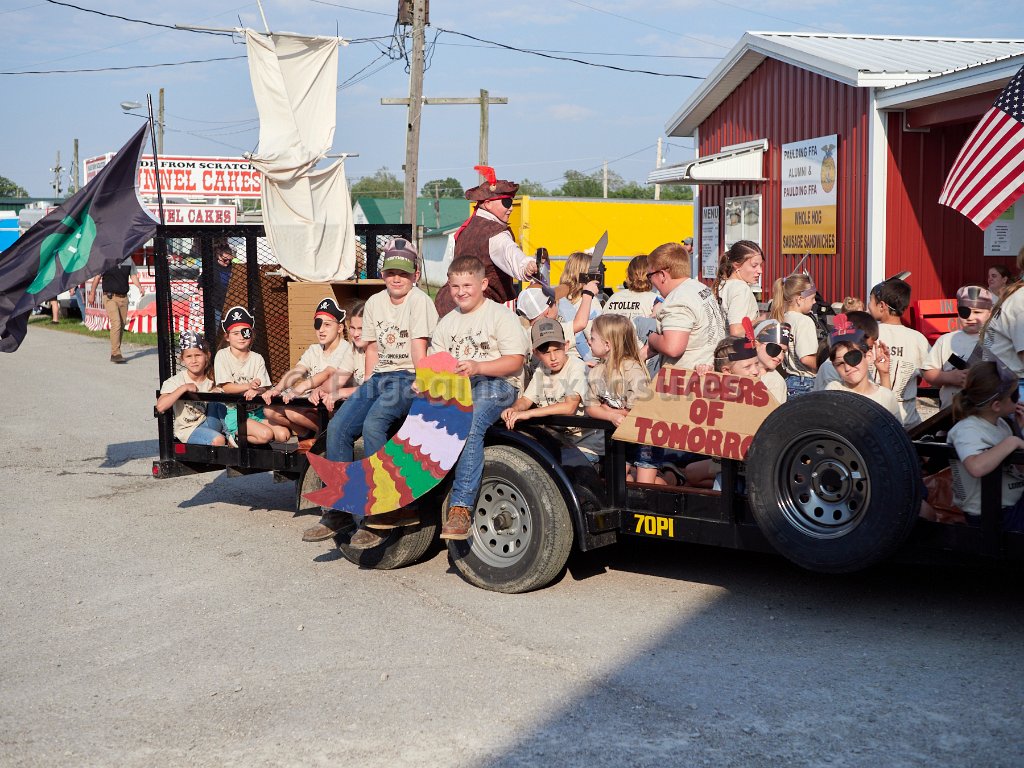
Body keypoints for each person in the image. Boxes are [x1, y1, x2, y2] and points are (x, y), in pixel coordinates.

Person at [303, 238, 438, 546]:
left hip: (409, 375)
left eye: (403, 273)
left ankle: (388, 506)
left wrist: (423, 381)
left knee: (375, 423)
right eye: (391, 272)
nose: (397, 278)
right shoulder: (375, 302)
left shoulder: (419, 302)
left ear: (415, 274)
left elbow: (419, 348)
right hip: (379, 377)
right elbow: (373, 351)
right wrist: (366, 387)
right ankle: (340, 508)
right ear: (383, 273)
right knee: (338, 427)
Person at [429, 256, 528, 540]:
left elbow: (515, 361)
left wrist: (478, 367)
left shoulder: (500, 316)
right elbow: (437, 365)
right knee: (421, 418)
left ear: (483, 284)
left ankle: (461, 507)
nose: (461, 292)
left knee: (468, 421)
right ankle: (414, 501)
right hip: (459, 387)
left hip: (499, 385)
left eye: (467, 285)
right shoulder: (447, 323)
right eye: (455, 286)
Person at [434, 166, 538, 316]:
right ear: (488, 203)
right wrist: (527, 266)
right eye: (506, 202)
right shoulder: (495, 233)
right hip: (475, 311)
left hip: (448, 305)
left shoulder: (467, 228)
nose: (511, 208)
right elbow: (510, 251)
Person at [501, 318, 603, 465]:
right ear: (536, 353)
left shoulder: (576, 367)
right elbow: (526, 400)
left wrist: (528, 413)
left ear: (566, 346)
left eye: (557, 350)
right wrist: (514, 409)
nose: (553, 357)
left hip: (585, 444)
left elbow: (569, 407)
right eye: (546, 352)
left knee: (552, 470)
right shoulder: (542, 369)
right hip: (559, 442)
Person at [585, 314, 664, 485]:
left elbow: (639, 411)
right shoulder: (596, 372)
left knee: (644, 487)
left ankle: (672, 486)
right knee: (617, 483)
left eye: (592, 338)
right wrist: (611, 416)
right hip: (622, 435)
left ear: (607, 345)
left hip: (645, 436)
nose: (588, 342)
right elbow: (590, 407)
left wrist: (607, 409)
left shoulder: (633, 371)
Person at [262, 297, 355, 438]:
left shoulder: (345, 348)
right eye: (318, 324)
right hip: (312, 403)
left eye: (327, 325)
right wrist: (277, 389)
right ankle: (308, 435)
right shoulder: (314, 349)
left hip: (332, 405)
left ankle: (326, 436)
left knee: (293, 412)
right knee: (270, 411)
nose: (321, 330)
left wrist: (301, 387)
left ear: (340, 328)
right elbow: (297, 371)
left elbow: (327, 373)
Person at [947, 360, 1024, 531]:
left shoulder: (1001, 424)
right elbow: (976, 467)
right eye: (1015, 395)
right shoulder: (967, 429)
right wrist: (1012, 441)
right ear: (996, 405)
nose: (1019, 398)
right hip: (991, 515)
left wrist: (1018, 430)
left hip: (1010, 503)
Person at [684, 333, 763, 488]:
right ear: (727, 371)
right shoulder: (717, 388)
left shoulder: (765, 388)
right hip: (724, 469)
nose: (755, 371)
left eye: (756, 364)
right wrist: (705, 373)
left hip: (755, 471)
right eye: (747, 367)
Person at [214, 306, 288, 446]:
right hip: (235, 412)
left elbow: (264, 387)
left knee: (284, 435)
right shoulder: (222, 355)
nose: (241, 337)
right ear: (227, 337)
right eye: (235, 333)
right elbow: (227, 387)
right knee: (266, 435)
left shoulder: (257, 358)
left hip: (257, 411)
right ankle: (234, 437)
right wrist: (249, 386)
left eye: (245, 332)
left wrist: (257, 390)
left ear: (251, 334)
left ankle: (252, 438)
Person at [645, 241, 725, 369]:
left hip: (688, 377)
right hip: (710, 368)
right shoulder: (700, 288)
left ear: (662, 275)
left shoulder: (678, 300)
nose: (651, 281)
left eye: (649, 276)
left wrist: (652, 338)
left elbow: (672, 348)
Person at [869, 277, 930, 427]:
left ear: (882, 306)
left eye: (870, 301)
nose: (868, 306)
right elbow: (929, 373)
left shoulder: (868, 334)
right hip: (907, 421)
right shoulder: (918, 339)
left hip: (871, 417)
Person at [921, 285, 993, 409]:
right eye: (964, 312)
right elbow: (928, 372)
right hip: (950, 413)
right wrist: (950, 377)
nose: (970, 317)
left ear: (989, 313)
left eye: (977, 312)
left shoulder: (996, 341)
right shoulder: (945, 340)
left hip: (986, 412)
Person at [156, 331, 228, 446]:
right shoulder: (176, 381)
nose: (194, 360)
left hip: (209, 423)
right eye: (189, 356)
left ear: (207, 356)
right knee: (218, 440)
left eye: (198, 355)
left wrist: (218, 393)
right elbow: (160, 407)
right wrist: (183, 388)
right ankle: (229, 438)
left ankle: (231, 435)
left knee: (218, 399)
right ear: (182, 359)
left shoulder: (213, 379)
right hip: (188, 430)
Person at [824, 313, 900, 418]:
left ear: (868, 356)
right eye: (840, 364)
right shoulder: (834, 390)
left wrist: (884, 373)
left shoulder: (886, 396)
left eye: (853, 358)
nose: (847, 368)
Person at [812, 311, 891, 393]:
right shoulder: (831, 369)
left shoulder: (858, 364)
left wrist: (884, 373)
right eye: (867, 347)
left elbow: (883, 398)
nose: (868, 352)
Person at [769, 274, 818, 397]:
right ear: (800, 299)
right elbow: (806, 358)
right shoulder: (804, 321)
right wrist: (827, 366)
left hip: (791, 380)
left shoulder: (783, 318)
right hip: (806, 383)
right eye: (812, 298)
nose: (815, 302)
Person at [87, 255, 143, 363]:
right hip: (110, 297)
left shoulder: (128, 259)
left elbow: (133, 276)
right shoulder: (106, 259)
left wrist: (140, 287)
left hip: (123, 298)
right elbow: (97, 278)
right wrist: (92, 293)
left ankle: (117, 350)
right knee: (116, 323)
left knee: (121, 324)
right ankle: (115, 353)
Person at [515, 285, 596, 359]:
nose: (557, 304)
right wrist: (588, 294)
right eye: (555, 302)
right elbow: (580, 323)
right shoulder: (549, 329)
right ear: (547, 312)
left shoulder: (527, 333)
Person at [604, 255, 659, 348]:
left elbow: (601, 328)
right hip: (643, 354)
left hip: (614, 352)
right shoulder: (656, 300)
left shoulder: (614, 298)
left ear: (628, 275)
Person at [712, 240, 763, 336]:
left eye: (760, 265)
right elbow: (736, 331)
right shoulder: (741, 288)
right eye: (754, 266)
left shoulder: (722, 284)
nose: (760, 271)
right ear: (736, 265)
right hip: (737, 345)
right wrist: (763, 319)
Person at [753, 319, 791, 405]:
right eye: (774, 348)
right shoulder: (738, 370)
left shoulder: (775, 382)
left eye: (784, 351)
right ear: (756, 345)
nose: (780, 357)